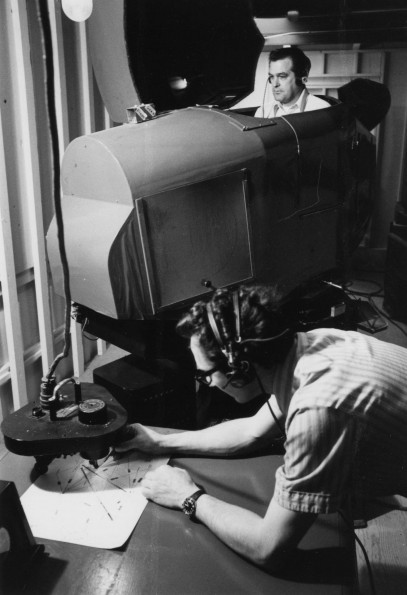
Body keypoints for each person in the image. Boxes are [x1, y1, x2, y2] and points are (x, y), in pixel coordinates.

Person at [116, 284, 407, 572]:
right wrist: (161, 442)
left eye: (206, 376)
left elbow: (267, 548)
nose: (208, 384)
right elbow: (252, 431)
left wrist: (188, 497)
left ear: (239, 370)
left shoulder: (317, 411)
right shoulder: (311, 345)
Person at [255, 47, 330, 118]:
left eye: (282, 76)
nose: (275, 84)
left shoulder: (322, 110)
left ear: (302, 78)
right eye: (271, 77)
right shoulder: (262, 112)